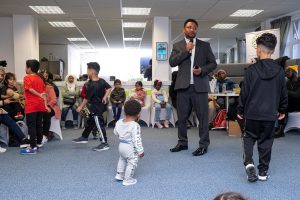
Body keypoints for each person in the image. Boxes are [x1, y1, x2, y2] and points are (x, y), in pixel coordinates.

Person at [237, 33, 288, 182]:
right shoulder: (279, 71)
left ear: (259, 49)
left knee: (248, 137)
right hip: (269, 115)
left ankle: (248, 163)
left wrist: (240, 110)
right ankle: (263, 171)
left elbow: (244, 93)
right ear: (272, 51)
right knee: (266, 142)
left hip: (252, 114)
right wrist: (282, 110)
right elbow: (283, 94)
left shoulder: (251, 70)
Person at [169, 18, 217, 156]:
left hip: (200, 87)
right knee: (182, 118)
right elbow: (172, 62)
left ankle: (203, 145)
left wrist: (202, 70)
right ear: (184, 29)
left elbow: (213, 64)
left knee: (202, 118)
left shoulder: (204, 46)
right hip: (183, 87)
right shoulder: (178, 45)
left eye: (194, 28)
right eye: (189, 27)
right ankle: (182, 143)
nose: (192, 29)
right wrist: (186, 50)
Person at [72, 62, 112, 152]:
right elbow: (109, 88)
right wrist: (105, 97)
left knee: (99, 124)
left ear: (91, 71)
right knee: (91, 121)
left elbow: (86, 98)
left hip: (96, 107)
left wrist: (80, 107)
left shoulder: (92, 85)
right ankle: (84, 137)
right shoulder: (101, 80)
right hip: (100, 106)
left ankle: (104, 143)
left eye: (87, 70)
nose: (87, 72)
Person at [21, 59, 49, 155]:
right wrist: (45, 104)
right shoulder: (40, 79)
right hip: (40, 105)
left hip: (32, 105)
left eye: (26, 67)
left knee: (32, 126)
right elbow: (44, 93)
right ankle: (39, 142)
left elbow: (30, 89)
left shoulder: (27, 78)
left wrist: (39, 95)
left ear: (29, 68)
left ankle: (33, 147)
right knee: (38, 124)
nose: (25, 69)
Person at [114, 100, 144, 186]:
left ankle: (119, 174)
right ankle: (128, 179)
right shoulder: (135, 125)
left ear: (124, 111)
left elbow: (115, 132)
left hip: (121, 145)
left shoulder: (119, 122)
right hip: (130, 147)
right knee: (132, 161)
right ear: (138, 114)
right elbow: (136, 139)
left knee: (122, 159)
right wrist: (140, 151)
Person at [42, 76, 61, 143]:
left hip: (51, 107)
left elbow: (54, 100)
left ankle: (45, 135)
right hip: (40, 107)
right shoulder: (35, 88)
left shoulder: (49, 88)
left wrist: (47, 105)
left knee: (47, 114)